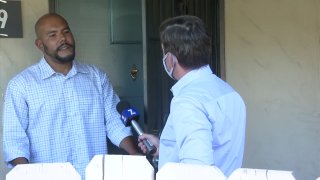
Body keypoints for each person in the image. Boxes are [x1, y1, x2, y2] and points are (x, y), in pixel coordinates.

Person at [2, 13, 138, 179]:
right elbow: (15, 141)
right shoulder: (21, 85)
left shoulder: (96, 77)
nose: (63, 39)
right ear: (40, 44)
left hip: (93, 175)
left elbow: (114, 122)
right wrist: (26, 175)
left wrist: (135, 155)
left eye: (66, 32)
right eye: (53, 35)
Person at [138, 15, 246, 177]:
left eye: (163, 52)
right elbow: (217, 148)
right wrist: (165, 147)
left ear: (170, 59)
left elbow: (196, 169)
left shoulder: (187, 101)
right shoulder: (229, 92)